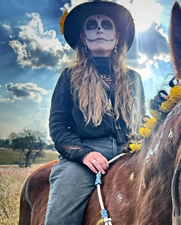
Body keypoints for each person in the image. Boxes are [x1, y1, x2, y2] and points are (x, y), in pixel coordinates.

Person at [45, 0, 145, 224]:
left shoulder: (134, 79)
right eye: (92, 25)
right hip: (83, 156)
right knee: (59, 218)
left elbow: (141, 124)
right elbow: (58, 127)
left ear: (117, 37)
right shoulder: (70, 76)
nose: (99, 29)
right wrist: (84, 154)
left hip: (130, 153)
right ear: (84, 38)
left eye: (106, 25)